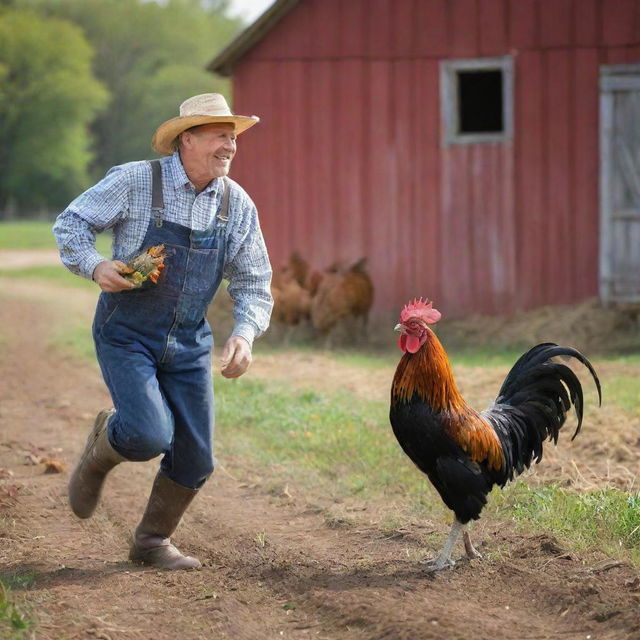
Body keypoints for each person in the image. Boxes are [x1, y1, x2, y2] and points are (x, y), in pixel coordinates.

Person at [53, 93, 273, 570]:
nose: (229, 146)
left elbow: (254, 279)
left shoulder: (235, 203)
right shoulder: (136, 180)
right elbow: (72, 222)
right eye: (219, 136)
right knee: (149, 434)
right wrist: (94, 265)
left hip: (190, 342)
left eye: (232, 137)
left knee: (196, 460)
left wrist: (244, 333)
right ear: (186, 139)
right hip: (127, 332)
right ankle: (103, 446)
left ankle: (151, 542)